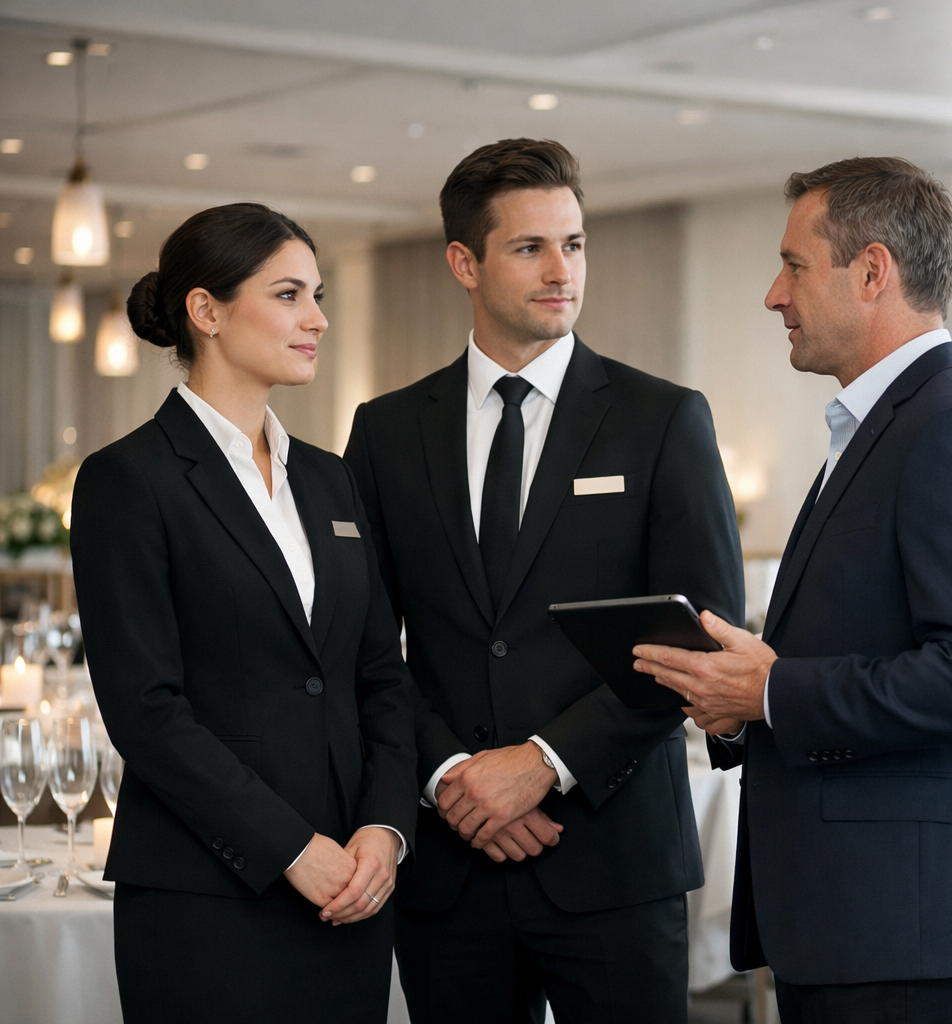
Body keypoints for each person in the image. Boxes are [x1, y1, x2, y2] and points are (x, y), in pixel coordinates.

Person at [633, 157, 952, 1024]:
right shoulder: (893, 427)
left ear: (872, 271)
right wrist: (743, 700)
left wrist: (771, 689)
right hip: (860, 920)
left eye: (793, 266)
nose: (772, 295)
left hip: (906, 927)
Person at [344, 138, 744, 1024]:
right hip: (450, 866)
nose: (561, 269)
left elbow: (700, 636)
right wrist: (453, 775)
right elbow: (363, 642)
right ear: (464, 262)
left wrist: (542, 764)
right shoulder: (386, 432)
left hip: (612, 856)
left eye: (574, 244)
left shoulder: (662, 420)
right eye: (530, 247)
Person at [70, 203, 420, 1024]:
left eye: (318, 295)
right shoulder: (130, 479)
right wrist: (291, 849)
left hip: (351, 888)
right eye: (291, 295)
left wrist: (384, 830)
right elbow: (146, 711)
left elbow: (380, 676)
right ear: (207, 310)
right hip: (208, 894)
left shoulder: (331, 480)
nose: (318, 320)